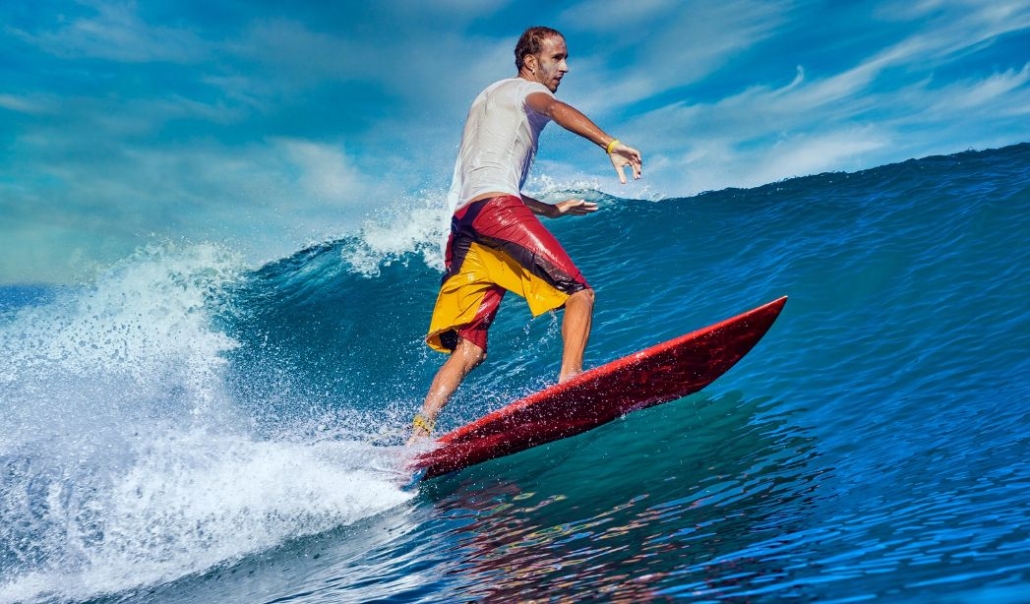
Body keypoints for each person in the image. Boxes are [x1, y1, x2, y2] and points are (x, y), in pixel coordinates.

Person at [410, 26, 643, 442]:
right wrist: (609, 143)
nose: (565, 67)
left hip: (465, 223)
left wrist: (549, 209)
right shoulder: (526, 92)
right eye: (557, 58)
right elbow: (554, 110)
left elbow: (486, 179)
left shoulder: (486, 98)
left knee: (471, 348)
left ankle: (418, 432)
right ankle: (570, 379)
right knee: (579, 294)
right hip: (496, 212)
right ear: (531, 62)